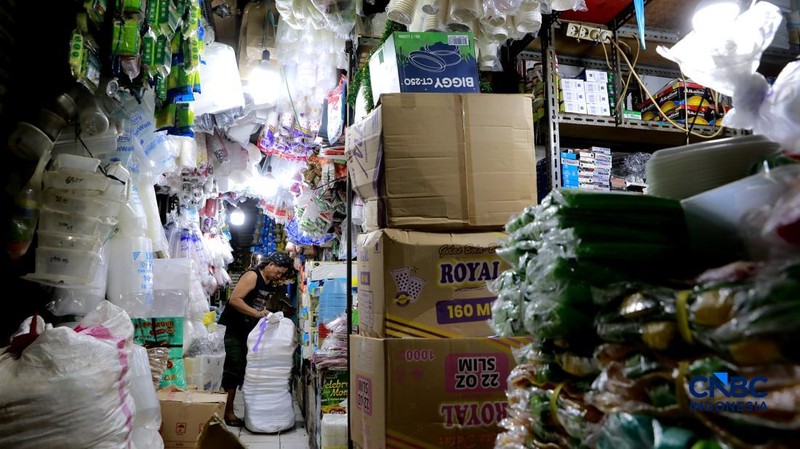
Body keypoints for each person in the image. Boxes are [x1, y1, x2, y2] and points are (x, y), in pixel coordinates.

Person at [219, 251, 295, 427]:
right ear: (270, 265)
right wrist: (257, 314)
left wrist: (268, 314)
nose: (279, 276)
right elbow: (235, 300)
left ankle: (234, 410)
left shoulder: (268, 282)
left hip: (246, 330)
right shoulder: (252, 275)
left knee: (242, 369)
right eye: (278, 272)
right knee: (233, 369)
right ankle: (228, 412)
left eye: (282, 274)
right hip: (232, 329)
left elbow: (257, 304)